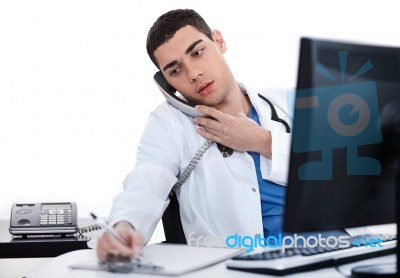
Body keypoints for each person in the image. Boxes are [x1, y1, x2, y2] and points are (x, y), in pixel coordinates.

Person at [96, 9, 292, 261]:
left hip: (334, 250)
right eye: (175, 71)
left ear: (219, 42)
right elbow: (147, 180)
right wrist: (125, 227)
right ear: (166, 83)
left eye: (197, 53)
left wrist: (262, 142)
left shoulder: (288, 102)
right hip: (244, 265)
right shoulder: (170, 123)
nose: (193, 74)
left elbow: (346, 172)